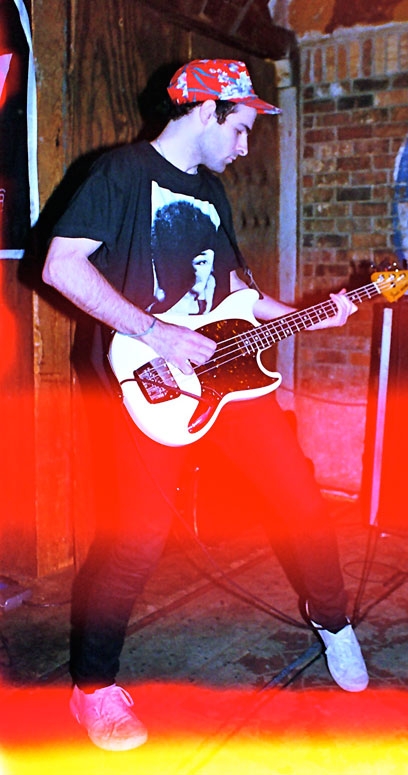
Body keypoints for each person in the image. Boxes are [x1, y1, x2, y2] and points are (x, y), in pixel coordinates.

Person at [42, 59, 368, 752]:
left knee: (301, 499)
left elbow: (240, 299)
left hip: (224, 377)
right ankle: (92, 689)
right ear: (206, 110)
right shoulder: (120, 174)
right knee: (135, 540)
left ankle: (335, 622)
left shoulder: (213, 195)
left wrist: (315, 315)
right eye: (243, 127)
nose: (247, 145)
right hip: (147, 379)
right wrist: (158, 332)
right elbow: (59, 265)